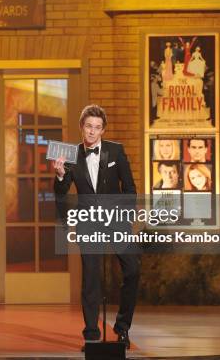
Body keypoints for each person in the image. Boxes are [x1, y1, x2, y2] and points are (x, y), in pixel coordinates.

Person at [53, 105, 139, 350]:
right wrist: (59, 176)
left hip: (117, 221)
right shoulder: (70, 155)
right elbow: (60, 192)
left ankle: (122, 328)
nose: (92, 131)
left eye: (97, 127)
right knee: (91, 278)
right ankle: (91, 334)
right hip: (88, 223)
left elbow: (130, 187)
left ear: (103, 130)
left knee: (132, 270)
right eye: (88, 126)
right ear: (82, 127)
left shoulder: (116, 151)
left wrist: (125, 216)